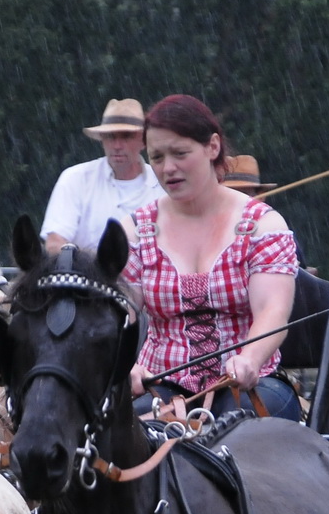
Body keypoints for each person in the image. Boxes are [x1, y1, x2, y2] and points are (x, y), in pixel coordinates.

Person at [119, 94, 304, 423]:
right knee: (122, 433)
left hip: (251, 385)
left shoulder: (262, 224)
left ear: (213, 147)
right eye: (157, 157)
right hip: (159, 386)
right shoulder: (136, 230)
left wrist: (249, 358)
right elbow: (121, 317)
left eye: (180, 153)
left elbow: (272, 311)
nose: (168, 168)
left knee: (242, 431)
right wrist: (125, 367)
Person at [41, 98, 165, 256]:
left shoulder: (163, 182)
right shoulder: (75, 179)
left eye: (126, 136)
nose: (117, 146)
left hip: (151, 278)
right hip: (88, 279)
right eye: (111, 136)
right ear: (102, 141)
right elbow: (54, 243)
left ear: (143, 141)